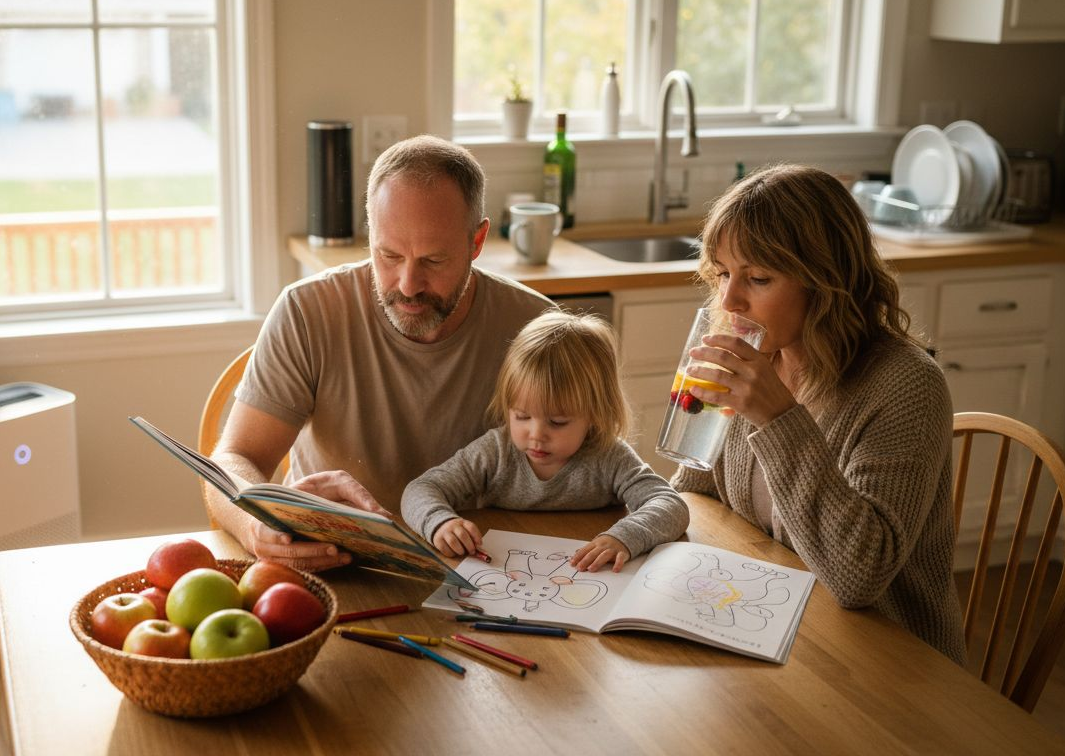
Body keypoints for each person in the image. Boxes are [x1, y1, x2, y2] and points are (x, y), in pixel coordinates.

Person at [208, 135, 552, 571]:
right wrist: (255, 523)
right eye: (389, 255)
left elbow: (594, 468)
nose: (408, 285)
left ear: (477, 241)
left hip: (485, 572)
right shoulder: (308, 312)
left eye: (433, 261)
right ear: (370, 231)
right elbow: (235, 457)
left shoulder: (536, 330)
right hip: (336, 569)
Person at [671, 163, 966, 664]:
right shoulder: (758, 354)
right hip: (778, 625)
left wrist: (779, 418)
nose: (729, 298)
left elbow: (860, 579)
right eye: (722, 273)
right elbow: (695, 490)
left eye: (758, 278)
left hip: (893, 664)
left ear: (826, 281)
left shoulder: (906, 386)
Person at [402, 310, 689, 572]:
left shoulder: (608, 454)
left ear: (594, 414)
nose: (536, 434)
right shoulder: (495, 452)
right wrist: (441, 522)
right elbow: (421, 489)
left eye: (558, 422)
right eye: (522, 416)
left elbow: (670, 505)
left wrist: (623, 537)